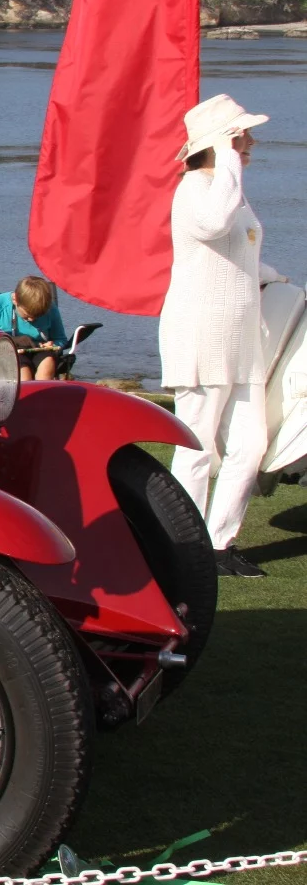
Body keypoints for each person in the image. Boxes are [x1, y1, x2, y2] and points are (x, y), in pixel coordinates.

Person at [159, 93, 285, 579]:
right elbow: (214, 226)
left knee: (251, 444)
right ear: (220, 143)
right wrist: (228, 158)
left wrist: (279, 281)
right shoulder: (194, 189)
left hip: (241, 338)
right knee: (197, 446)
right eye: (241, 135)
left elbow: (241, 254)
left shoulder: (229, 189)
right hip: (200, 333)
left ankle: (218, 544)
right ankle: (181, 544)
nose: (251, 142)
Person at [0, 276, 67, 380]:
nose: (31, 319)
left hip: (39, 350)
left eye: (37, 316)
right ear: (15, 300)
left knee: (47, 364)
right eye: (27, 316)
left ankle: (43, 389)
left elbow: (61, 339)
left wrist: (53, 345)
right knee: (23, 372)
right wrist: (13, 341)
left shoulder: (51, 308)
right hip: (8, 351)